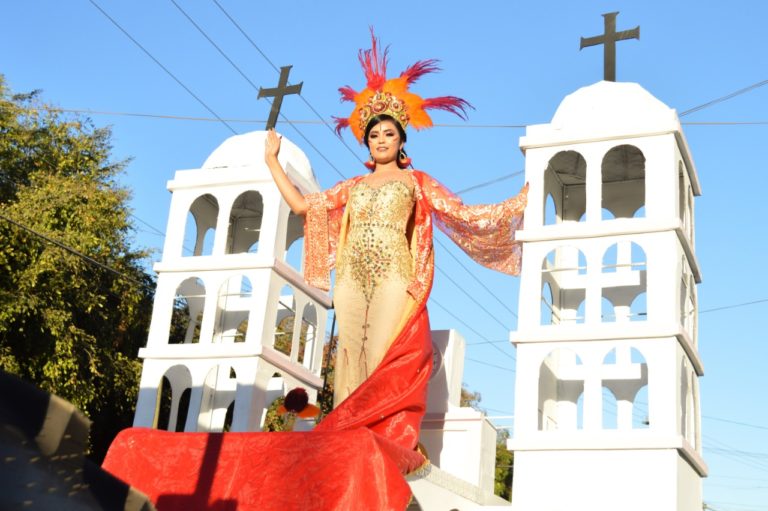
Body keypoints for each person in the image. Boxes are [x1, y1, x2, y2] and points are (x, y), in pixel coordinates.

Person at [264, 31, 527, 457]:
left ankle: (386, 441)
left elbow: (461, 213)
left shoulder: (416, 182)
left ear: (402, 139)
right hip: (350, 280)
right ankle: (348, 438)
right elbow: (300, 206)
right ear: (365, 143)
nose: (381, 140)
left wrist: (516, 205)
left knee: (387, 355)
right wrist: (272, 161)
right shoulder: (352, 185)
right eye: (374, 135)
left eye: (388, 133)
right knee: (351, 353)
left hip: (394, 276)